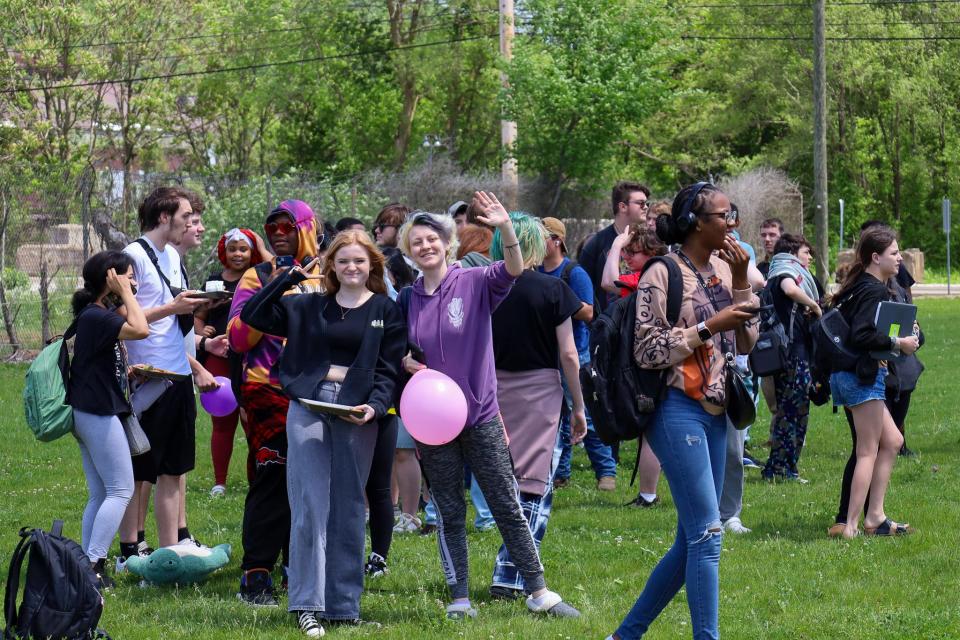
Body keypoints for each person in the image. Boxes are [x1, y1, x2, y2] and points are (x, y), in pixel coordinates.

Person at [398, 197, 580, 620]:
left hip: (480, 415)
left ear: (448, 244)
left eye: (432, 239)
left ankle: (538, 591)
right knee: (448, 509)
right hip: (433, 424)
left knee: (505, 503)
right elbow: (400, 348)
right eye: (417, 242)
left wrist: (506, 229)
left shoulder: (476, 281)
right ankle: (459, 596)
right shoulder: (407, 298)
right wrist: (407, 361)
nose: (425, 246)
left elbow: (514, 268)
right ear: (409, 252)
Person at [608, 182, 758, 640]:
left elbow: (746, 343)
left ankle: (625, 635)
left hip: (716, 410)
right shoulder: (663, 271)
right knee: (707, 537)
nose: (732, 224)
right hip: (675, 407)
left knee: (689, 540)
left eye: (732, 214)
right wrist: (709, 327)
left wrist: (737, 285)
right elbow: (649, 349)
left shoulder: (721, 272)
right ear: (695, 222)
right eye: (722, 216)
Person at [240, 229, 405, 636]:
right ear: (330, 265)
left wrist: (375, 405)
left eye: (360, 261)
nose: (352, 267)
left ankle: (342, 606)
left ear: (372, 266)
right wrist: (288, 278)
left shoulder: (385, 308)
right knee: (310, 503)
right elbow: (253, 315)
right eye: (343, 260)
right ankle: (307, 604)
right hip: (309, 405)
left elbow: (389, 367)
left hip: (356, 408)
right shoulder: (308, 305)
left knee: (349, 506)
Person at [228, 200, 323, 606]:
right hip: (266, 389)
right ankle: (256, 572)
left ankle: (299, 568)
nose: (278, 233)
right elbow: (237, 339)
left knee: (312, 485)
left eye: (287, 226)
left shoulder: (329, 273)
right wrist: (276, 285)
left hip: (320, 391)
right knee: (272, 477)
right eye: (271, 228)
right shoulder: (257, 274)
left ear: (306, 227)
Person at [489, 212, 588, 597]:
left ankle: (508, 570)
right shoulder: (552, 289)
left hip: (491, 391)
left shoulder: (486, 288)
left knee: (505, 484)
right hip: (541, 393)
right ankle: (510, 575)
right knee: (534, 487)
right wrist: (578, 405)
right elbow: (568, 354)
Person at [117, 187, 217, 566]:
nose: (191, 221)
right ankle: (129, 550)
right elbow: (126, 319)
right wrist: (172, 308)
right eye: (186, 215)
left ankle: (170, 549)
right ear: (164, 217)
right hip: (149, 377)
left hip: (178, 375)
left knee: (174, 469)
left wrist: (199, 356)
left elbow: (175, 315)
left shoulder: (172, 255)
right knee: (142, 469)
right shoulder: (133, 256)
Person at [826, 225, 918, 539]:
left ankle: (874, 517)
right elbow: (862, 334)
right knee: (867, 450)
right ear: (875, 257)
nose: (899, 260)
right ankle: (850, 525)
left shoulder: (859, 285)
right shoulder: (874, 289)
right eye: (894, 254)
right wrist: (899, 343)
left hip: (849, 375)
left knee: (892, 441)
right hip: (860, 377)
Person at [69, 251, 148, 588]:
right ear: (111, 278)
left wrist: (124, 372)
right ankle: (93, 565)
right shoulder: (97, 316)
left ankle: (84, 565)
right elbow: (141, 329)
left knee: (100, 493)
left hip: (89, 409)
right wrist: (127, 293)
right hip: (96, 412)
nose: (134, 283)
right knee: (120, 489)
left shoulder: (95, 314)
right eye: (129, 276)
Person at [539, 217, 617, 491]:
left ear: (557, 240)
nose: (536, 243)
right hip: (545, 357)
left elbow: (589, 312)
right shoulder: (535, 270)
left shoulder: (574, 272)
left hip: (576, 354)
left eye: (541, 237)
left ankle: (606, 472)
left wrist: (557, 303)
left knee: (586, 416)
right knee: (556, 418)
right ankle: (561, 472)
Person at [599, 223, 667, 506]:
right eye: (626, 252)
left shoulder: (645, 278)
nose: (628, 257)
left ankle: (648, 494)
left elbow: (607, 282)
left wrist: (615, 245)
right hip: (661, 356)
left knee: (650, 430)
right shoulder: (666, 275)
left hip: (646, 360)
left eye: (633, 252)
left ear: (651, 253)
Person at [195, 229, 265, 496]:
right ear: (224, 252)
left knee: (253, 420)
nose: (238, 254)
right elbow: (198, 317)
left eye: (244, 249)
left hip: (249, 358)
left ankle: (258, 477)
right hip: (218, 358)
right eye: (233, 248)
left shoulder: (259, 278)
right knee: (222, 421)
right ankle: (220, 482)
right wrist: (202, 332)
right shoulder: (213, 282)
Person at [761, 234, 822, 481]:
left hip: (787, 354)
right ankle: (780, 469)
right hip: (792, 355)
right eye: (806, 252)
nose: (809, 258)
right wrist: (815, 306)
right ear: (794, 252)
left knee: (790, 412)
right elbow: (790, 289)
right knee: (792, 413)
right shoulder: (785, 272)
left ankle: (783, 468)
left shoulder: (775, 271)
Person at [579, 181, 651, 312]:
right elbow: (584, 293)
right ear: (623, 207)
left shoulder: (651, 241)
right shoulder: (595, 244)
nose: (646, 207)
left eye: (647, 203)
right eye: (641, 203)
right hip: (606, 325)